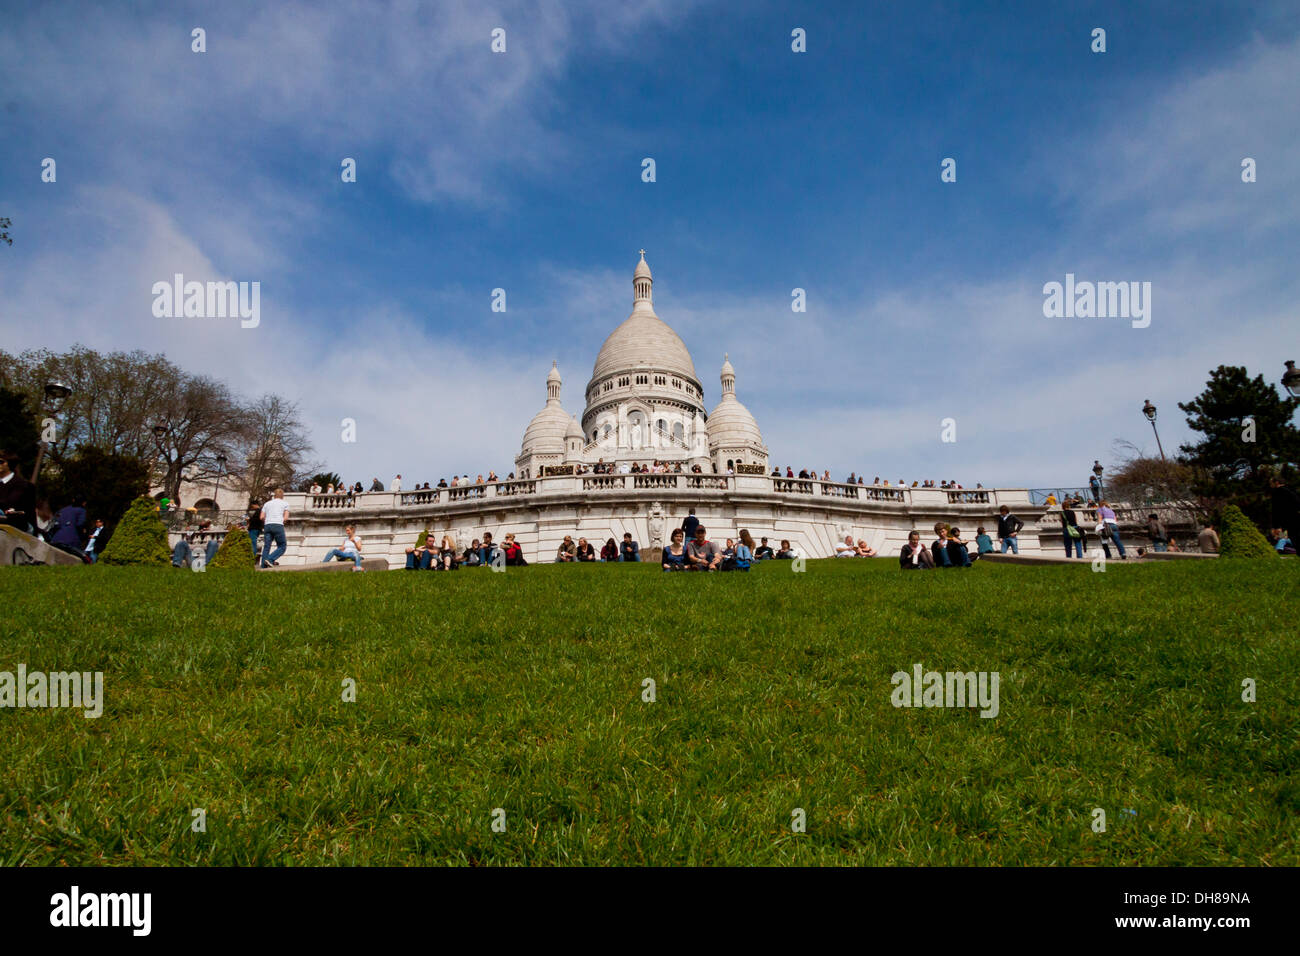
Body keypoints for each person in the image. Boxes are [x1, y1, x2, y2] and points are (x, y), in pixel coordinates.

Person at [0, 450, 36, 532]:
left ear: (10, 464)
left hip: (17, 528)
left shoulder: (24, 485)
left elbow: (28, 513)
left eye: (1, 462)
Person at [258, 488, 289, 568]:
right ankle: (270, 559)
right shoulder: (285, 503)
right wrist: (283, 521)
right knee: (282, 546)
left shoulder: (267, 503)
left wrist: (267, 520)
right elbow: (285, 518)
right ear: (282, 496)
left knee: (266, 546)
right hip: (278, 524)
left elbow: (261, 517)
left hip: (267, 525)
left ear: (274, 495)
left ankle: (263, 566)